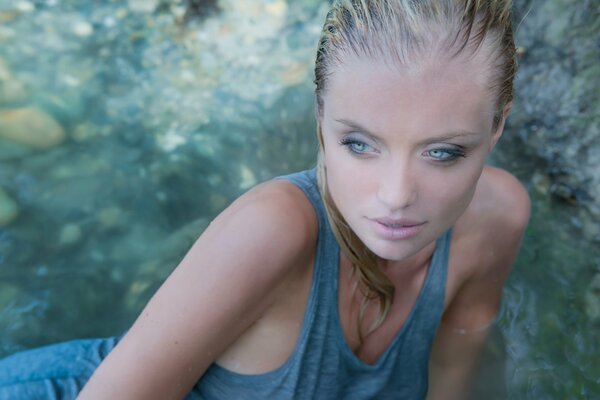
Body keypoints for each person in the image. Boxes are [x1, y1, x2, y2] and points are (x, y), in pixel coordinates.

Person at [0, 0, 530, 399]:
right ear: (320, 116)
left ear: (498, 123)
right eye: (359, 144)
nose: (395, 196)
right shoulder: (271, 231)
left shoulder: (497, 218)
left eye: (442, 153)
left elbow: (453, 374)